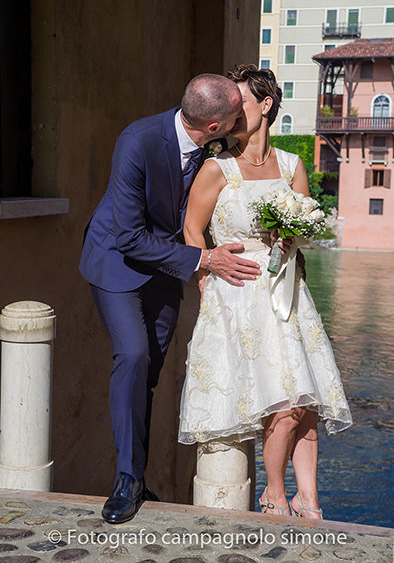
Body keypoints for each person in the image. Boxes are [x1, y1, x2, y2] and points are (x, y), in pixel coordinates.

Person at [79, 73, 263, 524]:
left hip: (166, 269)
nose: (243, 117)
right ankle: (126, 480)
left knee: (149, 374)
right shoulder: (138, 141)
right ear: (215, 125)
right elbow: (128, 236)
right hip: (117, 262)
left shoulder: (218, 145)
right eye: (236, 112)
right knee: (134, 355)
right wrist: (203, 260)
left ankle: (137, 476)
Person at [178, 64, 352, 519]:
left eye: (242, 103)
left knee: (305, 402)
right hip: (235, 295)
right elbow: (192, 230)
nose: (234, 112)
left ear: (266, 106)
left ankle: (308, 499)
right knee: (280, 404)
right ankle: (275, 493)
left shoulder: (293, 165)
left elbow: (300, 227)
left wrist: (291, 241)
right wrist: (206, 285)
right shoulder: (217, 168)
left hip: (287, 292)